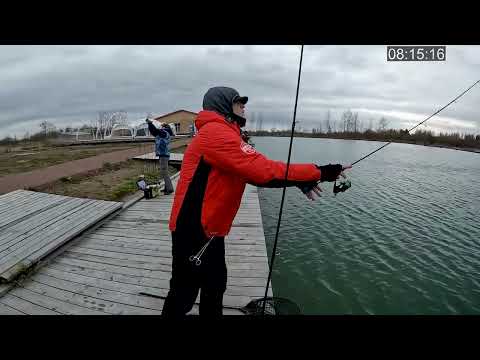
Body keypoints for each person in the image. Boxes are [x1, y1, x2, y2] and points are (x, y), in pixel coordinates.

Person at [161, 86, 351, 316]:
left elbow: (253, 174)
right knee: (183, 295)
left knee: (215, 286)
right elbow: (262, 170)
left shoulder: (225, 133)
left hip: (209, 230)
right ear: (223, 106)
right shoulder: (216, 134)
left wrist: (300, 181)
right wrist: (320, 171)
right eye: (239, 102)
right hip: (192, 230)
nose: (244, 106)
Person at [146, 118, 174, 195]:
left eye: (161, 126)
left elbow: (154, 131)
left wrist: (150, 123)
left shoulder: (164, 132)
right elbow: (155, 132)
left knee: (164, 172)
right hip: (164, 154)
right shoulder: (166, 132)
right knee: (164, 172)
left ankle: (170, 189)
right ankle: (166, 188)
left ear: (163, 127)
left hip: (163, 155)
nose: (160, 127)